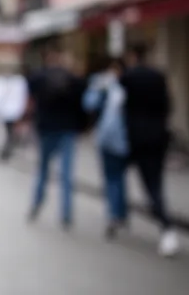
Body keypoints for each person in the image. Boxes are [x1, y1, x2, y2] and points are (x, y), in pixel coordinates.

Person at [121, 43, 179, 257]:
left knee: (149, 186)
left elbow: (121, 107)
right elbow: (168, 106)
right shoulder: (158, 76)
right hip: (158, 138)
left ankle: (165, 226)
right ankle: (157, 222)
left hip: (137, 140)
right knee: (155, 183)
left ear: (132, 56)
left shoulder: (128, 78)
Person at [26, 43, 86, 230]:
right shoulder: (72, 78)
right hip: (67, 129)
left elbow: (29, 96)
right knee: (66, 174)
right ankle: (66, 213)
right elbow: (82, 103)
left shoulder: (39, 77)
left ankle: (36, 204)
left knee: (43, 170)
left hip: (46, 129)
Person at [83, 57, 130, 240]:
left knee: (115, 178)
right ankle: (118, 214)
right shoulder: (104, 89)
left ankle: (116, 214)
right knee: (115, 177)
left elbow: (89, 104)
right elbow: (89, 104)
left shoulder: (123, 88)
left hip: (118, 139)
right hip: (111, 140)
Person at [0, 64, 29, 162]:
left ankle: (6, 149)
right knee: (3, 133)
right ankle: (4, 149)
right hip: (2, 112)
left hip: (10, 112)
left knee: (9, 132)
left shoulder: (18, 82)